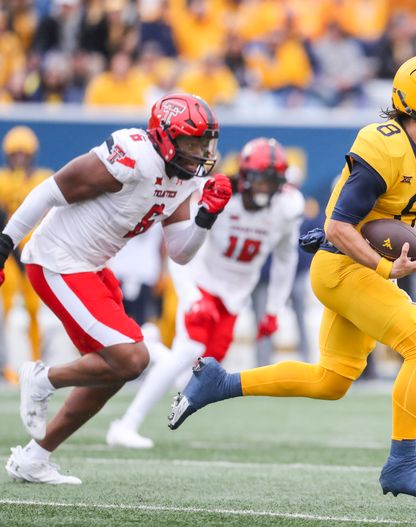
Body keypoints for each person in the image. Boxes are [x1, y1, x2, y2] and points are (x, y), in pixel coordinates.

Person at [166, 54, 416, 502]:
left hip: (362, 270)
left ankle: (219, 383)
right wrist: (386, 269)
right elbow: (337, 227)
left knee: (331, 382)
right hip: (341, 266)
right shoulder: (382, 146)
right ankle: (402, 464)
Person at [1, 93, 232, 484]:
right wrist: (5, 243)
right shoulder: (133, 156)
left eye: (204, 142)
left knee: (114, 371)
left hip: (92, 267)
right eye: (192, 142)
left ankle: (34, 459)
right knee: (132, 359)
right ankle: (42, 378)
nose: (200, 152)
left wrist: (206, 217)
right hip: (58, 261)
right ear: (164, 136)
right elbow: (50, 190)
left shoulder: (184, 177)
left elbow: (179, 252)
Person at [106, 137, 303, 449]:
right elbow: (181, 244)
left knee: (202, 375)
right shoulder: (220, 195)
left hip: (236, 293)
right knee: (189, 349)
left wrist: (274, 308)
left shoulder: (288, 207)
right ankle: (126, 423)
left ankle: (155, 351)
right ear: (246, 175)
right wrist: (192, 296)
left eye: (271, 181)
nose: (264, 187)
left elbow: (285, 258)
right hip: (201, 280)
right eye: (259, 179)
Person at [0, 126, 54, 369]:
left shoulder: (43, 177)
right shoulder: (3, 180)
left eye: (24, 153)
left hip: (34, 252)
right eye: (15, 154)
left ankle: (35, 360)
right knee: (6, 308)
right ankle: (7, 364)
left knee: (35, 310)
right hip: (9, 254)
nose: (20, 158)